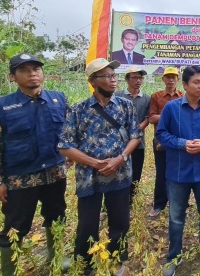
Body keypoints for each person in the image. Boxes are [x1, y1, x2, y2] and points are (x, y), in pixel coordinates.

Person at [0, 53, 69, 276]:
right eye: (24, 70)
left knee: (57, 216)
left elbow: (68, 134)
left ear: (43, 73)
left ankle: (56, 256)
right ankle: (10, 270)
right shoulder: (0, 107)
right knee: (15, 226)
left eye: (36, 69)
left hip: (54, 175)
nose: (32, 74)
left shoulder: (58, 99)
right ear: (12, 76)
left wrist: (71, 157)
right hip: (20, 178)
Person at [59, 58, 142, 275]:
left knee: (120, 220)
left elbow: (136, 136)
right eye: (107, 76)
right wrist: (94, 163)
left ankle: (117, 260)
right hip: (89, 176)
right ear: (93, 81)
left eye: (114, 75)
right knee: (87, 222)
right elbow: (65, 146)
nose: (113, 80)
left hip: (120, 173)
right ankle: (86, 263)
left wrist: (120, 159)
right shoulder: (78, 110)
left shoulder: (126, 106)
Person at [158, 66, 200, 276]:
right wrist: (182, 143)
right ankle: (173, 257)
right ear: (185, 85)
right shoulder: (171, 108)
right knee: (176, 217)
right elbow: (161, 134)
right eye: (196, 82)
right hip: (178, 172)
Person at [147, 67, 184, 219]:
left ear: (178, 79)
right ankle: (159, 205)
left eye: (173, 77)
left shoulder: (183, 96)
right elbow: (152, 118)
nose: (170, 80)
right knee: (161, 173)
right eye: (167, 77)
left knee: (179, 172)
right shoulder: (156, 96)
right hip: (161, 141)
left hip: (178, 141)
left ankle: (180, 203)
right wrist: (170, 114)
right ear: (163, 79)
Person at [115, 65, 151, 205]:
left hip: (138, 143)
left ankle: (130, 201)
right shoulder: (118, 96)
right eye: (135, 78)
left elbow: (148, 117)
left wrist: (136, 130)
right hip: (120, 142)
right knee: (118, 172)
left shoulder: (146, 98)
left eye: (140, 78)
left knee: (135, 173)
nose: (138, 81)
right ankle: (115, 202)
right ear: (127, 79)